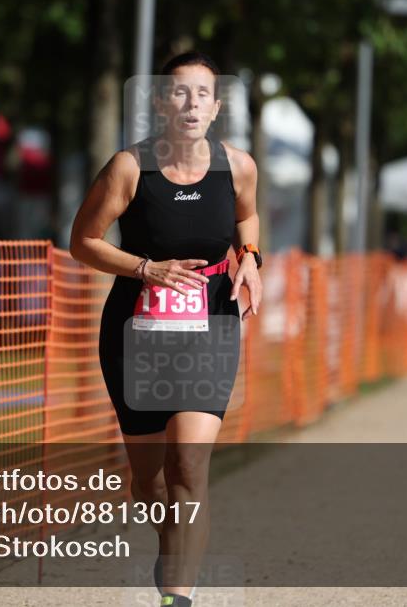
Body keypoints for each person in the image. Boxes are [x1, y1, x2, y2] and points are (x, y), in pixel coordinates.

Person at [69, 51, 262, 607]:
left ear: (217, 106)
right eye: (179, 93)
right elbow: (84, 240)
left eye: (203, 94)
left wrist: (250, 255)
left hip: (211, 328)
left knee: (188, 465)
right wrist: (145, 268)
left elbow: (246, 217)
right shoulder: (130, 168)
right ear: (160, 102)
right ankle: (171, 539)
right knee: (149, 485)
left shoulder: (238, 166)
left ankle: (177, 595)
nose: (191, 104)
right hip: (137, 333)